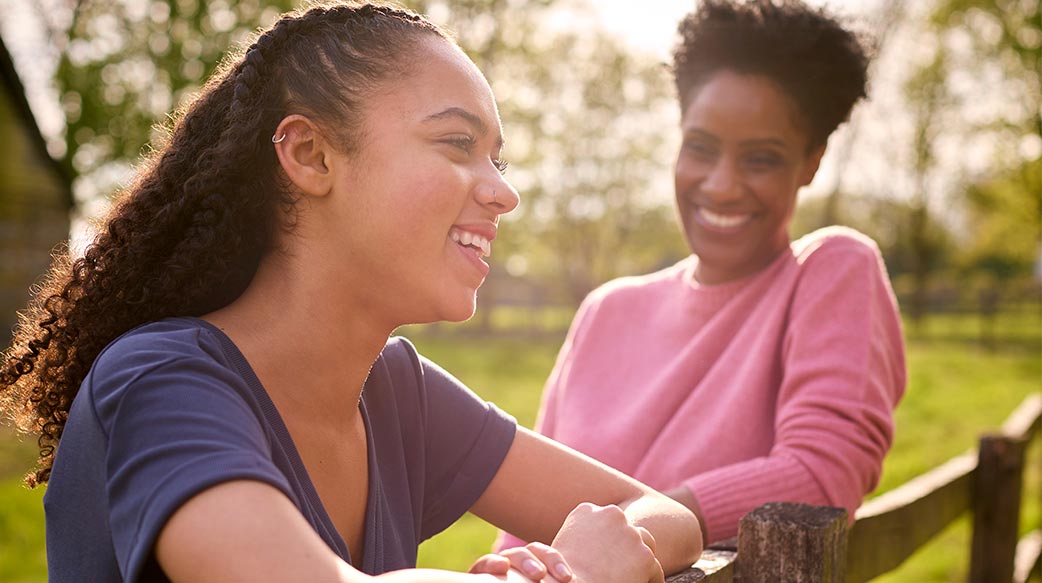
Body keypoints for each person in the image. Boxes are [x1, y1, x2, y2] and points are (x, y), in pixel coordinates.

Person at [0, 3, 702, 582]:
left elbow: (663, 515)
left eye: (498, 158)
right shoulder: (162, 378)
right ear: (310, 154)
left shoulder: (397, 392)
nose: (504, 191)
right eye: (457, 143)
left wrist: (597, 556)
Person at [498, 0, 906, 549]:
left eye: (760, 158)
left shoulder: (832, 270)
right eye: (701, 148)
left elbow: (820, 477)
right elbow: (524, 520)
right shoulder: (606, 310)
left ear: (811, 161)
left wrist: (635, 532)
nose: (720, 185)